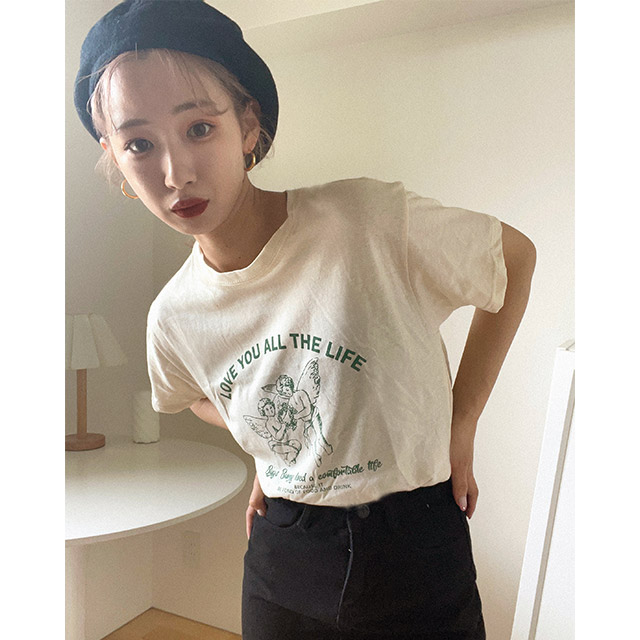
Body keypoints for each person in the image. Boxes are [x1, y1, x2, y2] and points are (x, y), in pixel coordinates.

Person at [73, 1, 536, 638]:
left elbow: (514, 259)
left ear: (248, 125)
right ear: (115, 157)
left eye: (199, 128)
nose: (176, 174)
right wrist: (275, 438)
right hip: (285, 549)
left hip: (417, 541)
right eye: (140, 144)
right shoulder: (174, 317)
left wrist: (463, 419)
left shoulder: (367, 222)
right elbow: (197, 397)